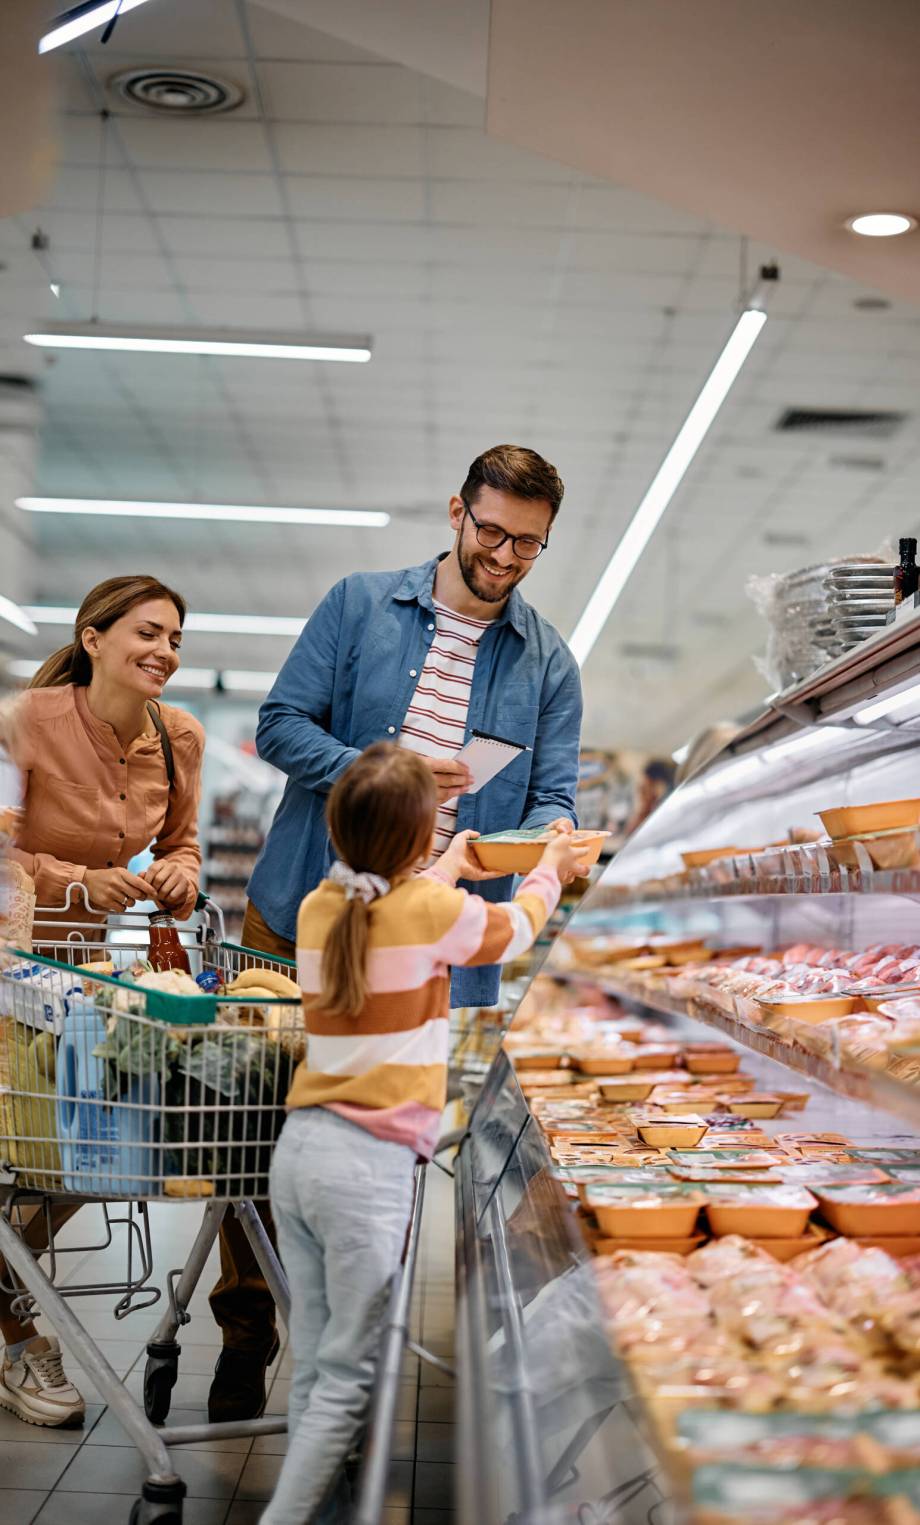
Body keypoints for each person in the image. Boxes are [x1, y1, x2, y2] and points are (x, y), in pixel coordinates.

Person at [209, 444, 584, 1421]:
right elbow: (280, 722)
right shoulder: (360, 605)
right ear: (456, 510)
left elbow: (546, 798)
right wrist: (389, 778)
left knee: (387, 1145)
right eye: (490, 531)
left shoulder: (546, 661)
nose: (503, 555)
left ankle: (354, 1362)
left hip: (432, 940)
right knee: (251, 1133)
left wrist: (536, 846)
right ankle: (245, 1330)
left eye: (527, 545)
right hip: (300, 908)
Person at [261, 743, 591, 1524]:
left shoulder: (321, 905)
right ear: (412, 841)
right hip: (364, 1170)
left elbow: (401, 897)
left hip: (300, 1153)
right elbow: (516, 929)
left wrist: (448, 861)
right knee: (350, 1377)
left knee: (316, 1361)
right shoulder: (425, 912)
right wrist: (550, 866)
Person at [0, 574, 204, 1427]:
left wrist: (178, 876)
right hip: (6, 959)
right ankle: (17, 1334)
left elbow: (184, 844)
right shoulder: (23, 724)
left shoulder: (178, 736)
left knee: (76, 1151)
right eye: (147, 633)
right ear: (93, 638)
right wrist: (80, 879)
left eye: (175, 639)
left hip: (78, 980)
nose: (164, 651)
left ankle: (7, 1300)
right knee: (18, 1150)